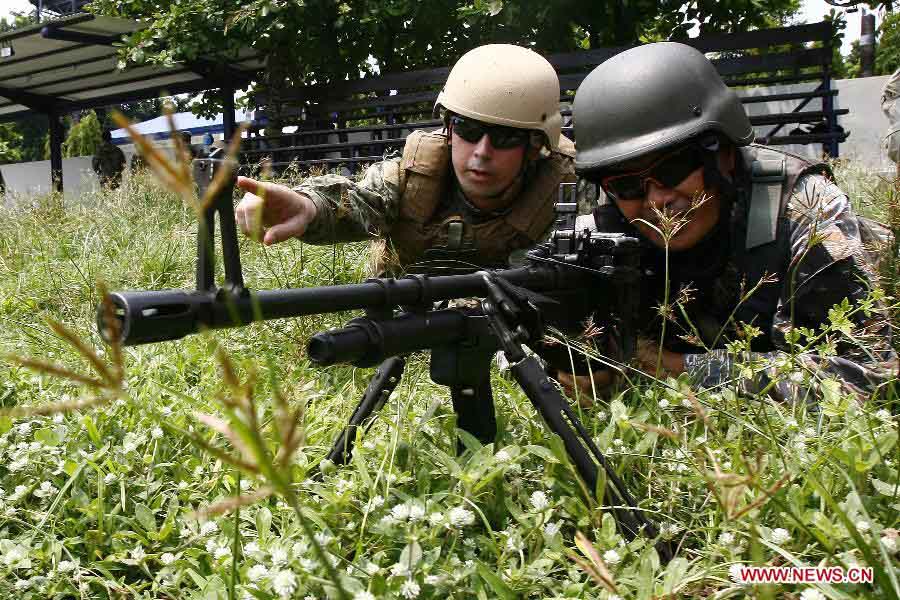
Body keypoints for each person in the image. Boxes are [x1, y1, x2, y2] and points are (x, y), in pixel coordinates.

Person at [234, 44, 576, 445]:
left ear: (535, 145)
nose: (481, 152)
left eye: (504, 137)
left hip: (509, 322)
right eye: (467, 129)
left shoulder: (564, 190)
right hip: (406, 315)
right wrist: (308, 206)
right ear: (448, 128)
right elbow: (361, 200)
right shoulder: (416, 175)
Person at [564, 42, 896, 402]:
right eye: (626, 185)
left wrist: (677, 367)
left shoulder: (804, 208)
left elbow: (867, 376)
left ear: (722, 152)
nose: (657, 199)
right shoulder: (606, 233)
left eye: (674, 168)